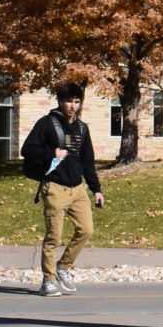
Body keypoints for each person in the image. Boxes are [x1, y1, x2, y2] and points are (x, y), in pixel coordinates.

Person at [20, 82, 104, 296]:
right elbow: (27, 149)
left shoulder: (82, 128)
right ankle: (47, 281)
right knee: (53, 237)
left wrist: (96, 189)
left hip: (78, 189)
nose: (72, 106)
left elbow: (88, 162)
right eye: (68, 101)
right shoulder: (47, 123)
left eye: (77, 101)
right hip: (55, 188)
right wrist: (51, 154)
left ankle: (64, 267)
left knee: (86, 230)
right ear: (60, 101)